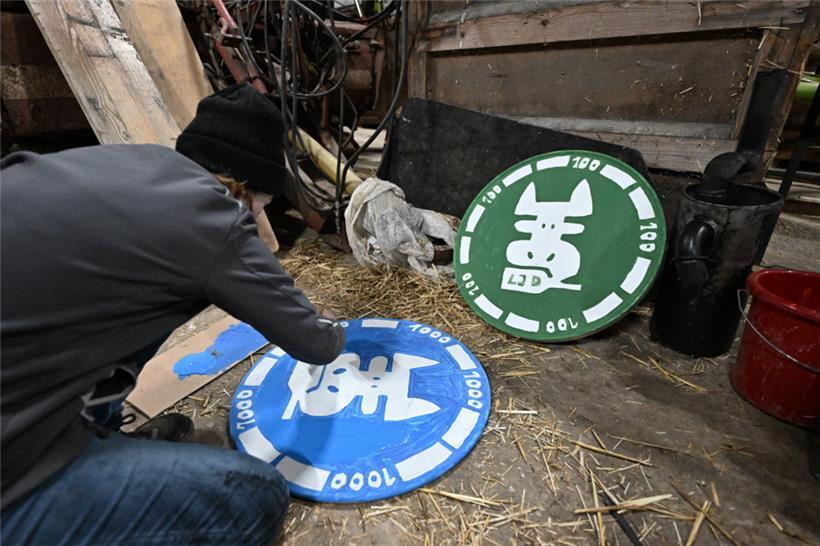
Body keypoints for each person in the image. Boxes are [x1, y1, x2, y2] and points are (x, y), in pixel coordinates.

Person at [0, 82, 345, 545]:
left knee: (151, 295)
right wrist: (332, 325)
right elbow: (316, 343)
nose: (264, 212)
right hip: (11, 472)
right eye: (266, 200)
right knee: (257, 493)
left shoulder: (130, 161)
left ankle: (96, 432)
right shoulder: (211, 215)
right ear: (247, 186)